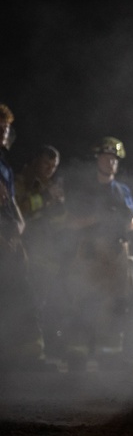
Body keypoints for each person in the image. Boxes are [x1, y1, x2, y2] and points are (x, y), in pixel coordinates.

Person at [60, 136, 133, 371]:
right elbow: (70, 222)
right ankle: (77, 357)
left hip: (117, 252)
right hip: (91, 251)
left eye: (114, 159)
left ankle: (110, 355)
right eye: (106, 157)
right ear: (96, 159)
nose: (111, 163)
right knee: (85, 301)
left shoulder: (122, 190)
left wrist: (127, 221)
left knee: (116, 304)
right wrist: (99, 217)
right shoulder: (85, 189)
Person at [0, 104, 50, 371]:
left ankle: (27, 361)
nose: (3, 133)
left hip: (11, 241)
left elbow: (11, 203)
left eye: (6, 129)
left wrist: (17, 226)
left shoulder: (4, 164)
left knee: (20, 295)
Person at [14, 144, 67, 360]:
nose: (50, 169)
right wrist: (45, 199)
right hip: (27, 250)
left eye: (54, 166)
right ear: (36, 160)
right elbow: (19, 208)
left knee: (47, 303)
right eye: (47, 163)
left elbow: (60, 221)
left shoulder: (53, 185)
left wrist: (59, 204)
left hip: (49, 254)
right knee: (29, 301)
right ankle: (31, 352)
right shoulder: (22, 181)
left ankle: (46, 348)